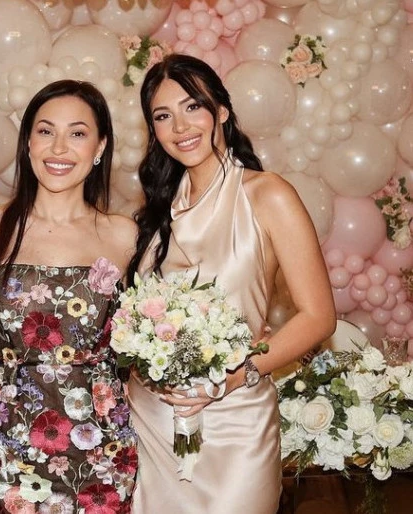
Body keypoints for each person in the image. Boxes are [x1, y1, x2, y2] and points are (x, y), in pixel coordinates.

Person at [126, 54, 336, 514]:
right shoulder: (157, 213)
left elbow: (319, 316)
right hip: (152, 428)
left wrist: (235, 376)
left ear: (221, 110)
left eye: (192, 107)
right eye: (163, 116)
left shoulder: (268, 194)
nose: (180, 126)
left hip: (236, 423)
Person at [0, 80, 139, 512]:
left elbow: (145, 347)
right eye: (45, 131)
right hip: (10, 448)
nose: (59, 148)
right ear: (28, 143)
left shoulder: (124, 236)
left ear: (100, 147)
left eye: (77, 133)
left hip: (102, 451)